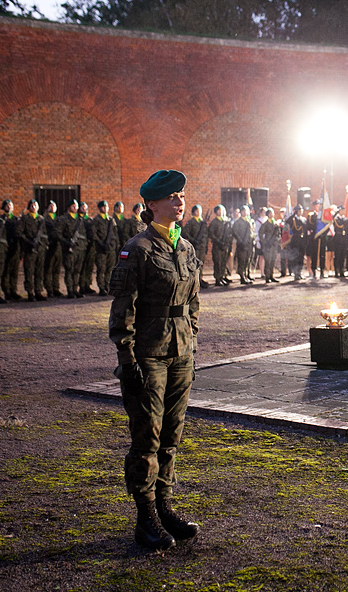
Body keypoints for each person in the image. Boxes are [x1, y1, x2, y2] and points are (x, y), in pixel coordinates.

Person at [109, 169, 201, 551]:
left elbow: (192, 302)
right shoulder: (139, 249)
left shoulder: (185, 247)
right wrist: (126, 359)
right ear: (152, 204)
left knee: (171, 436)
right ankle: (144, 517)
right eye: (172, 197)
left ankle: (164, 507)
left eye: (181, 195)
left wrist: (192, 337)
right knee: (146, 436)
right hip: (148, 355)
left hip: (180, 354)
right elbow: (122, 309)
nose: (180, 202)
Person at [18, 199, 48, 301]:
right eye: (31, 205)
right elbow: (19, 233)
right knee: (29, 271)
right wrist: (28, 241)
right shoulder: (25, 219)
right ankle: (30, 292)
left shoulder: (41, 219)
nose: (33, 207)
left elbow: (45, 234)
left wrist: (43, 243)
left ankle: (38, 291)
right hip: (29, 248)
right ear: (29, 207)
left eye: (35, 205)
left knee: (39, 271)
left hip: (40, 249)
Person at [59, 200, 88, 299]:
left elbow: (83, 234)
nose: (75, 208)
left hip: (80, 248)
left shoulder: (80, 220)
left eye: (76, 206)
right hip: (69, 249)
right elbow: (57, 233)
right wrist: (66, 242)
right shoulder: (64, 219)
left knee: (77, 270)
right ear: (69, 207)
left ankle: (75, 289)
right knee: (69, 270)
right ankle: (70, 291)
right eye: (73, 206)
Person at [92, 201, 119, 296]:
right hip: (101, 248)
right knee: (101, 268)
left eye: (106, 206)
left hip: (111, 247)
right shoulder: (96, 220)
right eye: (103, 207)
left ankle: (108, 286)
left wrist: (116, 245)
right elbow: (94, 234)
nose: (105, 208)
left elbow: (115, 234)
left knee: (110, 268)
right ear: (99, 208)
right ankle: (101, 287)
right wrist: (101, 244)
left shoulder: (111, 220)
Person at [181, 205, 210, 288]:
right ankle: (196, 280)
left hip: (202, 246)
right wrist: (193, 240)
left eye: (200, 210)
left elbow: (205, 234)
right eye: (197, 211)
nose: (199, 212)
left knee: (201, 264)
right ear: (193, 212)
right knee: (195, 264)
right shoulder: (191, 222)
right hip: (196, 246)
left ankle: (200, 279)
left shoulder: (202, 222)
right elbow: (185, 233)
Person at [0, 199, 22, 301]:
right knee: (6, 271)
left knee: (14, 271)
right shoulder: (0, 219)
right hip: (5, 248)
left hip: (15, 247)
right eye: (7, 205)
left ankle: (13, 290)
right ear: (3, 207)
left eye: (10, 205)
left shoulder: (16, 219)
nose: (9, 207)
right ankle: (6, 291)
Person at [207, 205, 232, 287]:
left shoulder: (225, 221)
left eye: (221, 210)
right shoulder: (214, 222)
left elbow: (229, 233)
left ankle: (222, 277)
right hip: (217, 246)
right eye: (219, 211)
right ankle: (218, 279)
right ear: (215, 212)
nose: (220, 212)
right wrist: (218, 241)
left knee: (223, 262)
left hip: (225, 245)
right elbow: (211, 234)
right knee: (218, 262)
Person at [43, 201, 62, 298]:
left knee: (56, 269)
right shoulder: (44, 219)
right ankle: (49, 289)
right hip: (49, 245)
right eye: (50, 206)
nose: (52, 207)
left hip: (58, 246)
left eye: (54, 205)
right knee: (48, 269)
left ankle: (56, 288)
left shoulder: (59, 219)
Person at [231, 205, 255, 284]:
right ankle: (242, 276)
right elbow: (235, 232)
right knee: (242, 260)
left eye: (246, 211)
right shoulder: (238, 222)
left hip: (249, 244)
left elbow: (253, 232)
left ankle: (247, 274)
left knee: (248, 260)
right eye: (243, 211)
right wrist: (241, 241)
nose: (245, 213)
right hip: (242, 244)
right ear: (240, 212)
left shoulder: (250, 221)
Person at [259, 207, 282, 282]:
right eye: (270, 213)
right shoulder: (265, 224)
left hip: (274, 245)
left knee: (273, 260)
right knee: (268, 261)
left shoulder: (276, 223)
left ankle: (271, 276)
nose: (272, 214)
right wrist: (264, 242)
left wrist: (278, 241)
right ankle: (267, 277)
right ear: (267, 214)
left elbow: (279, 234)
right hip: (268, 245)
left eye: (272, 213)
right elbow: (260, 233)